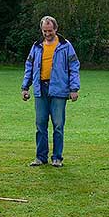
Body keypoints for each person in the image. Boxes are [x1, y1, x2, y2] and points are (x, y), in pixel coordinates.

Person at [21, 16, 80, 168]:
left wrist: (74, 88)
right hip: (40, 89)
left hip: (59, 90)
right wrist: (25, 87)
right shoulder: (36, 46)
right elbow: (29, 66)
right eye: (44, 31)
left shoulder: (66, 46)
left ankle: (57, 157)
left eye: (50, 30)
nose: (47, 34)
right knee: (40, 124)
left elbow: (74, 67)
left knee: (58, 125)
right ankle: (40, 157)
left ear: (56, 29)